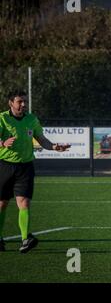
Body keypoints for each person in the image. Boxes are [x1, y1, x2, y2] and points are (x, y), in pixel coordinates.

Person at [0, 91, 70, 253]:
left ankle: (25, 239)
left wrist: (54, 147)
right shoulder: (2, 118)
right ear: (11, 103)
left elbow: (41, 138)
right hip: (4, 165)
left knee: (24, 202)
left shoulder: (31, 119)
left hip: (25, 166)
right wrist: (3, 143)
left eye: (25, 101)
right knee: (2, 204)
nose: (23, 105)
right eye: (19, 102)